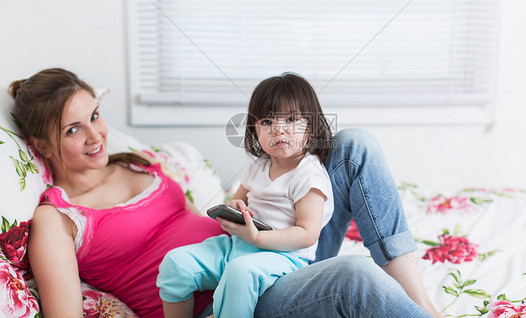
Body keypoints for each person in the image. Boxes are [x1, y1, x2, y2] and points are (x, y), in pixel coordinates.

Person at [12, 68, 443, 318]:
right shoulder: (59, 218)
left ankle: (419, 302)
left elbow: (201, 218)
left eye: (95, 116)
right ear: (42, 146)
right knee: (354, 275)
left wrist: (244, 212)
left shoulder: (133, 162)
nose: (95, 135)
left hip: (275, 247)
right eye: (73, 129)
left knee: (354, 145)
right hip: (230, 300)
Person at [157, 73, 334, 318]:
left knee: (239, 273)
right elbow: (237, 200)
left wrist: (258, 239)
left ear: (311, 126)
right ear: (254, 129)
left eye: (291, 119)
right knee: (175, 263)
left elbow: (307, 234)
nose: (279, 130)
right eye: (267, 122)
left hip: (283, 258)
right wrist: (235, 207)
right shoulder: (258, 166)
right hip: (237, 246)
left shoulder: (309, 175)